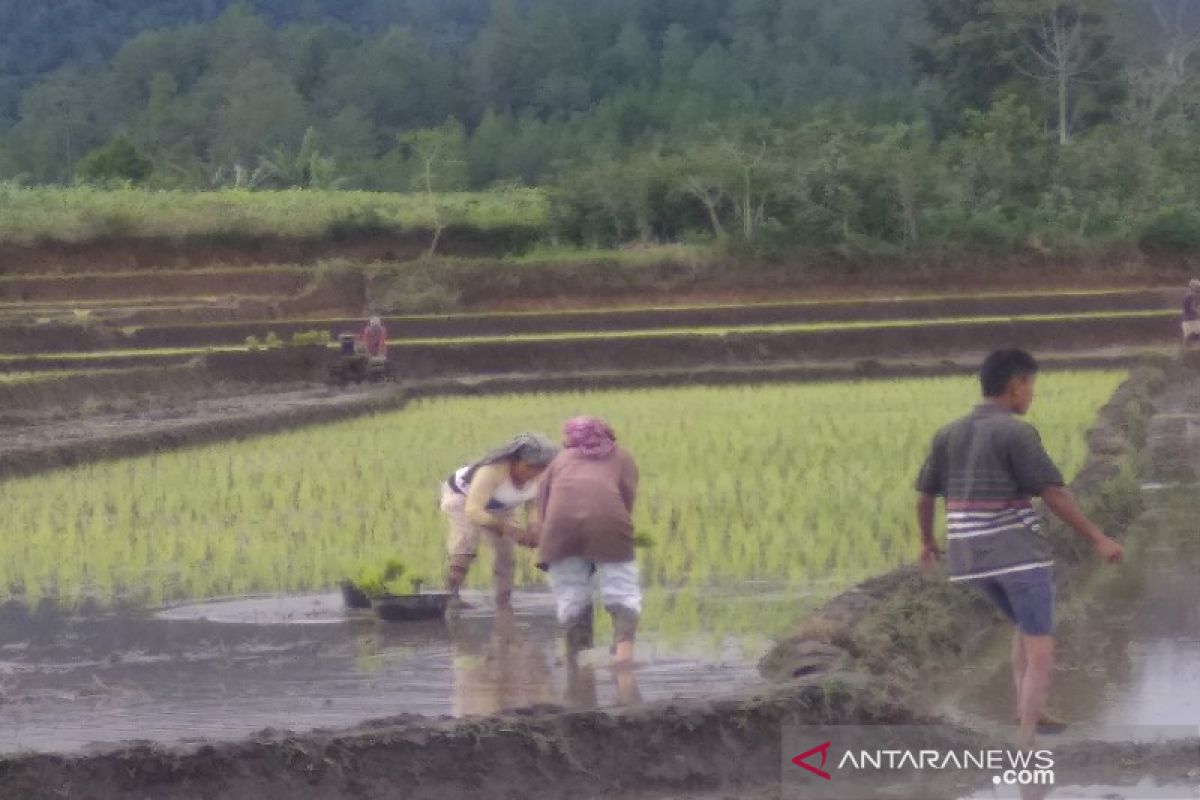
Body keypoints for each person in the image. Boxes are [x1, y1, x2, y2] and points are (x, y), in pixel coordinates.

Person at [915, 349, 1124, 748]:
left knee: (1024, 627)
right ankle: (1027, 740)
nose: (1032, 395)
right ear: (1016, 386)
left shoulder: (949, 433)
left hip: (968, 558)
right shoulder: (1015, 432)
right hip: (1016, 554)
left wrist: (927, 541)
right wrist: (1098, 538)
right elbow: (1054, 494)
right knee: (1041, 644)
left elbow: (924, 496)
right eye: (1031, 387)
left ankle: (1027, 710)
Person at [537, 416, 641, 666]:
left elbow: (543, 502)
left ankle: (577, 656)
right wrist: (617, 534)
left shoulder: (559, 461)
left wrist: (546, 536)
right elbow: (627, 498)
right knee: (621, 589)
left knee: (571, 591)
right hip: (610, 524)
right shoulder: (622, 458)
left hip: (559, 528)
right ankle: (623, 657)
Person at [441, 433, 558, 609]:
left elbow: (533, 503)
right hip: (463, 498)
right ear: (515, 461)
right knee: (466, 540)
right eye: (529, 467)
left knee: (505, 550)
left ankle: (503, 599)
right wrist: (507, 528)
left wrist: (533, 527)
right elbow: (473, 510)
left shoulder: (541, 476)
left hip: (503, 505)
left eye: (542, 467)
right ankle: (451, 595)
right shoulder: (491, 471)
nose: (534, 472)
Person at [1182, 279, 1200, 350]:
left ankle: (1184, 351)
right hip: (1192, 320)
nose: (1199, 288)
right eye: (1198, 287)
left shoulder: (1186, 295)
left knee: (1187, 336)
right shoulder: (1192, 295)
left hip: (1185, 320)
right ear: (1193, 287)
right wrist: (1199, 313)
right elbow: (1192, 307)